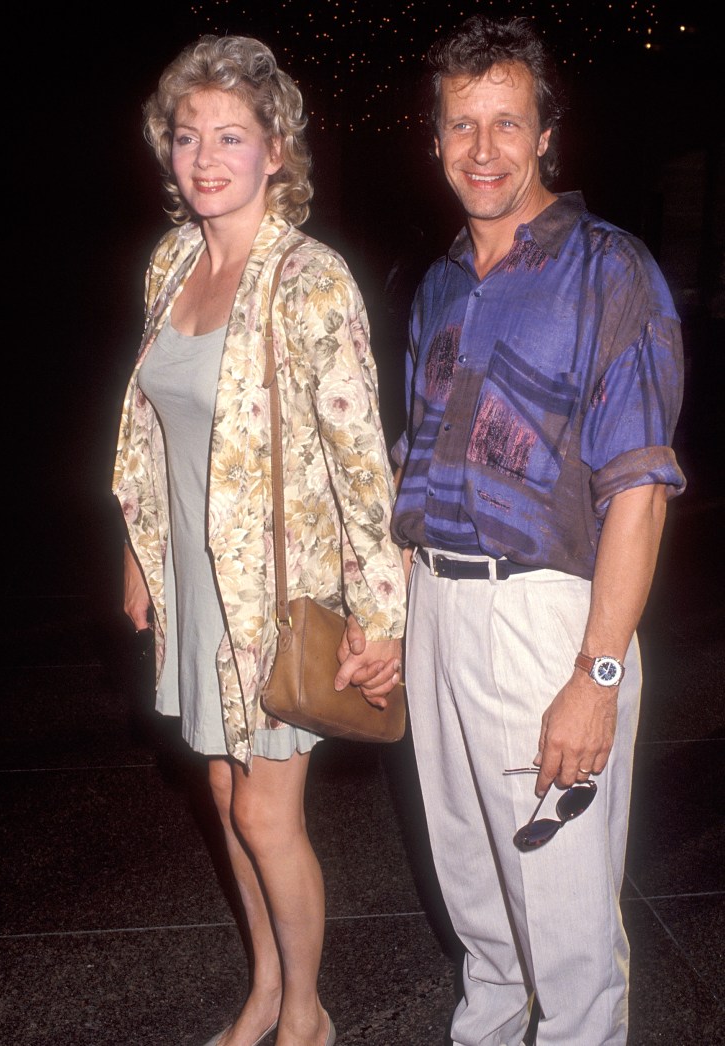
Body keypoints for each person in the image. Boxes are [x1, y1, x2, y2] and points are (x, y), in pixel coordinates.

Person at [346, 13, 686, 1046]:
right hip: (441, 609)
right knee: (479, 906)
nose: (483, 149)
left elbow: (640, 487)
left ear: (546, 136)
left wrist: (599, 674)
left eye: (507, 123)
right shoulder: (440, 282)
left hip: (548, 620)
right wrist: (389, 620)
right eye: (461, 125)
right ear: (434, 140)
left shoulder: (608, 271)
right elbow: (418, 472)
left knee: (568, 926)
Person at [112, 35, 405, 1046]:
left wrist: (382, 613)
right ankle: (265, 992)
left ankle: (307, 1016)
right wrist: (140, 551)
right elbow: (153, 427)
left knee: (267, 814)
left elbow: (362, 459)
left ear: (274, 149)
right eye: (187, 135)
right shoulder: (173, 260)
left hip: (274, 590)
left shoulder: (309, 278)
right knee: (228, 794)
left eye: (229, 136)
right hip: (195, 579)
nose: (203, 157)